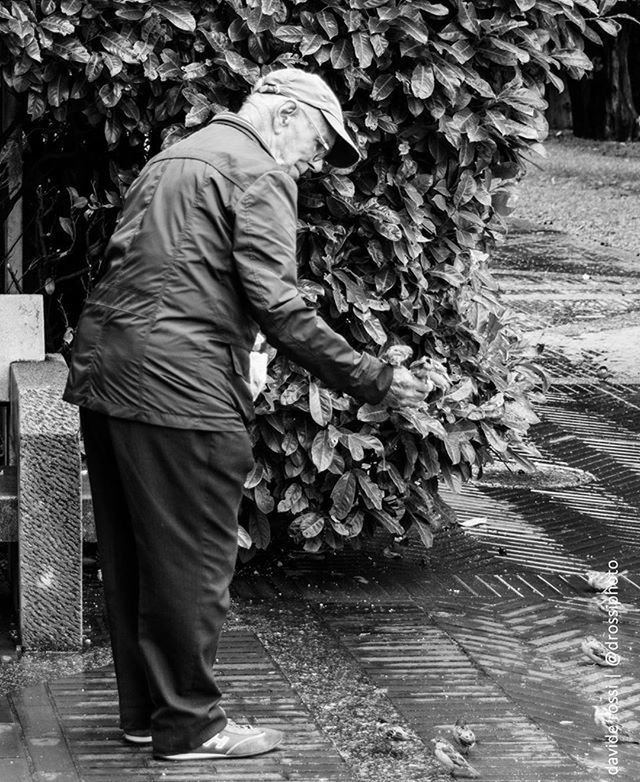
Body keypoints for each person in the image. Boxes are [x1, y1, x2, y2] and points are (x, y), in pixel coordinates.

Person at [63, 67, 429, 762]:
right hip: (180, 389)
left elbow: (165, 273)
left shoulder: (176, 157)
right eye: (319, 142)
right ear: (286, 115)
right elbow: (280, 307)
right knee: (194, 561)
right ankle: (193, 727)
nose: (315, 160)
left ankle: (150, 715)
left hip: (109, 376)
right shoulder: (259, 171)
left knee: (137, 556)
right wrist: (373, 378)